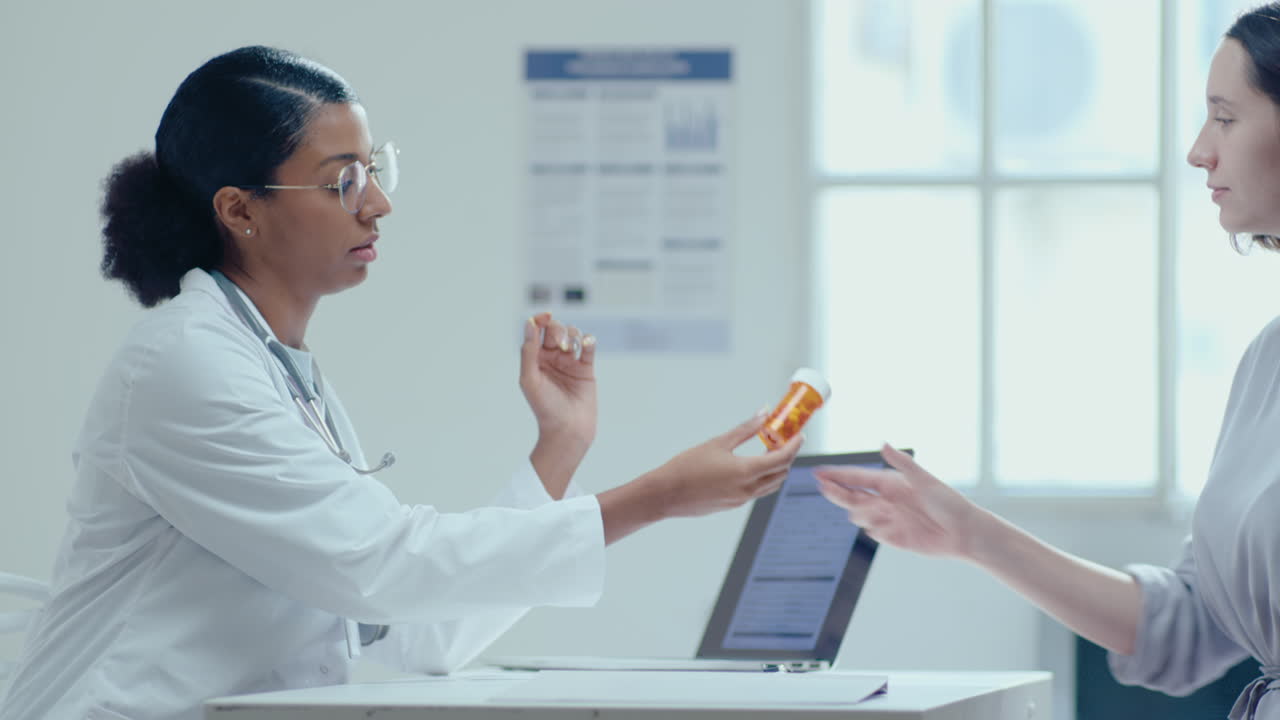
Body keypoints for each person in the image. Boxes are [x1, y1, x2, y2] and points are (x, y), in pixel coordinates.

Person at [0, 46, 802, 720]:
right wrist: (657, 497)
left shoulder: (275, 368)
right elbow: (386, 568)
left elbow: (413, 626)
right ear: (240, 211)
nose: (378, 204)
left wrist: (560, 446)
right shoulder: (184, 365)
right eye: (342, 179)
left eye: (374, 169)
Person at [813, 6, 1280, 719]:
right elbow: (1189, 629)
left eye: (1225, 117)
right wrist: (972, 535)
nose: (1197, 151)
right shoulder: (1265, 362)